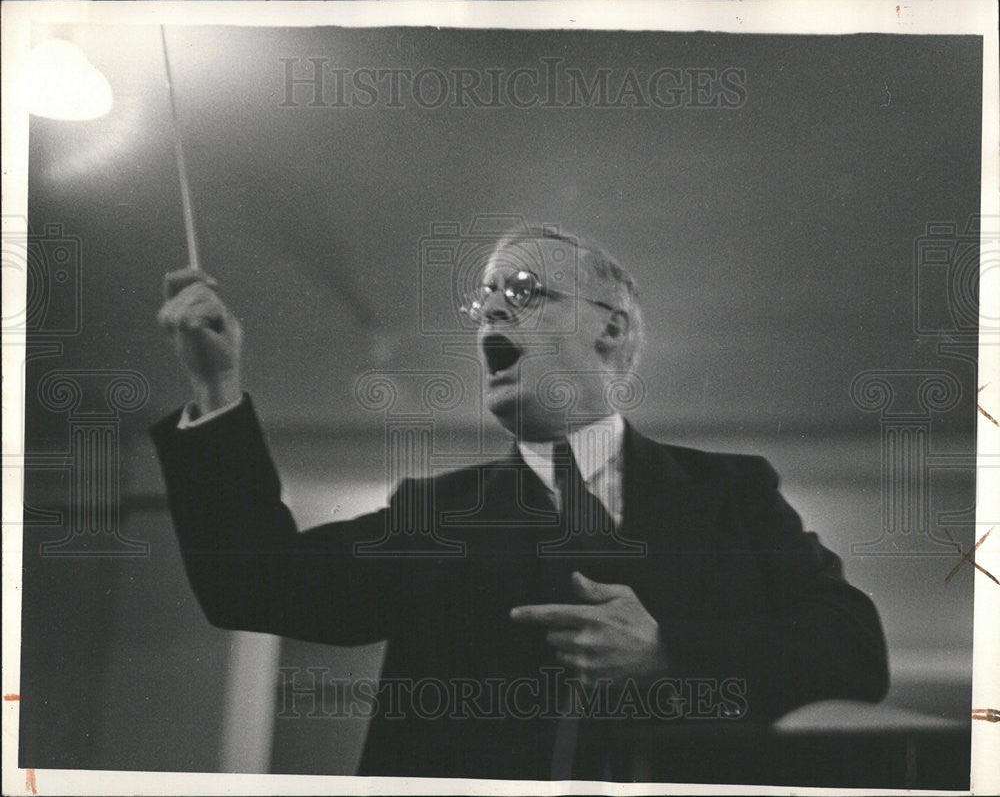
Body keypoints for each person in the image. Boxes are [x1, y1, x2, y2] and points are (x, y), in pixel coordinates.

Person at [152, 228, 889, 782]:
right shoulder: (436, 515)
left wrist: (672, 652)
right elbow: (253, 583)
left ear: (611, 327)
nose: (491, 312)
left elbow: (853, 650)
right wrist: (216, 389)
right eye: (484, 300)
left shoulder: (732, 494)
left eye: (526, 291)